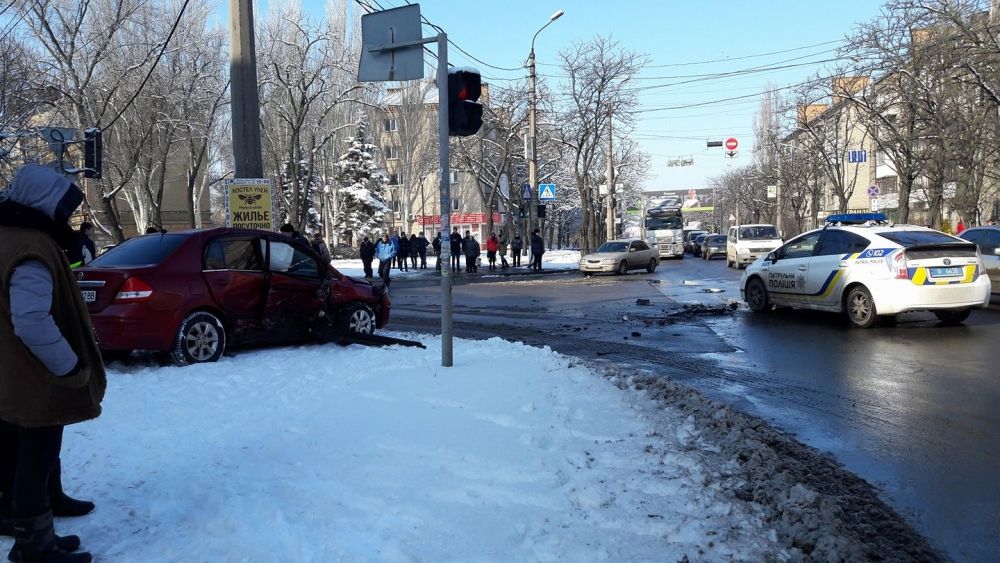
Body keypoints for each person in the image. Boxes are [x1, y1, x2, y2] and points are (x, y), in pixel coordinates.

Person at [0, 164, 106, 563]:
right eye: (64, 207)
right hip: (33, 373)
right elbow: (31, 320)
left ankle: (29, 512)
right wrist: (68, 366)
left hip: (9, 368)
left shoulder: (8, 237)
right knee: (37, 453)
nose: (68, 216)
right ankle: (34, 545)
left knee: (16, 447)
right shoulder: (31, 248)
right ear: (45, 203)